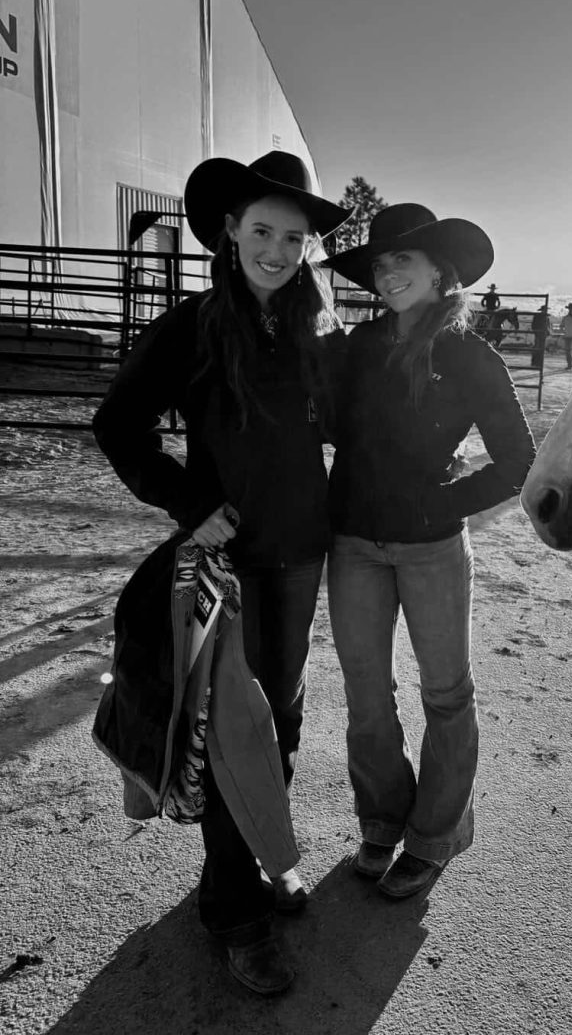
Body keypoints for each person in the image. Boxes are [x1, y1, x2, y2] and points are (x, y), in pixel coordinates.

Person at [92, 152, 351, 996]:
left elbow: (354, 422)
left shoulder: (317, 332)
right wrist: (186, 502)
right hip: (227, 565)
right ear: (231, 231)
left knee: (281, 719)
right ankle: (232, 910)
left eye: (295, 236)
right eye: (264, 230)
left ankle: (262, 853)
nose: (279, 249)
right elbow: (119, 423)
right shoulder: (194, 325)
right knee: (231, 730)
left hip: (299, 555)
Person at [321, 204, 536, 899]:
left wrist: (436, 504)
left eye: (400, 262)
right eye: (379, 264)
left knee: (445, 694)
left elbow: (516, 461)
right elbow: (320, 422)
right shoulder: (357, 345)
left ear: (440, 272)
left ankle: (434, 836)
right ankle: (382, 818)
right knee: (365, 694)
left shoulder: (470, 355)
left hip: (432, 550)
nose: (386, 274)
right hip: (352, 543)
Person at [530, 303, 550, 368]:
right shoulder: (539, 317)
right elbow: (534, 325)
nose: (545, 311)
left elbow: (548, 326)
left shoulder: (545, 317)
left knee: (540, 348)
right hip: (539, 334)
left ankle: (537, 362)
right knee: (537, 347)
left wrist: (547, 332)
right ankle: (535, 362)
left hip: (542, 334)